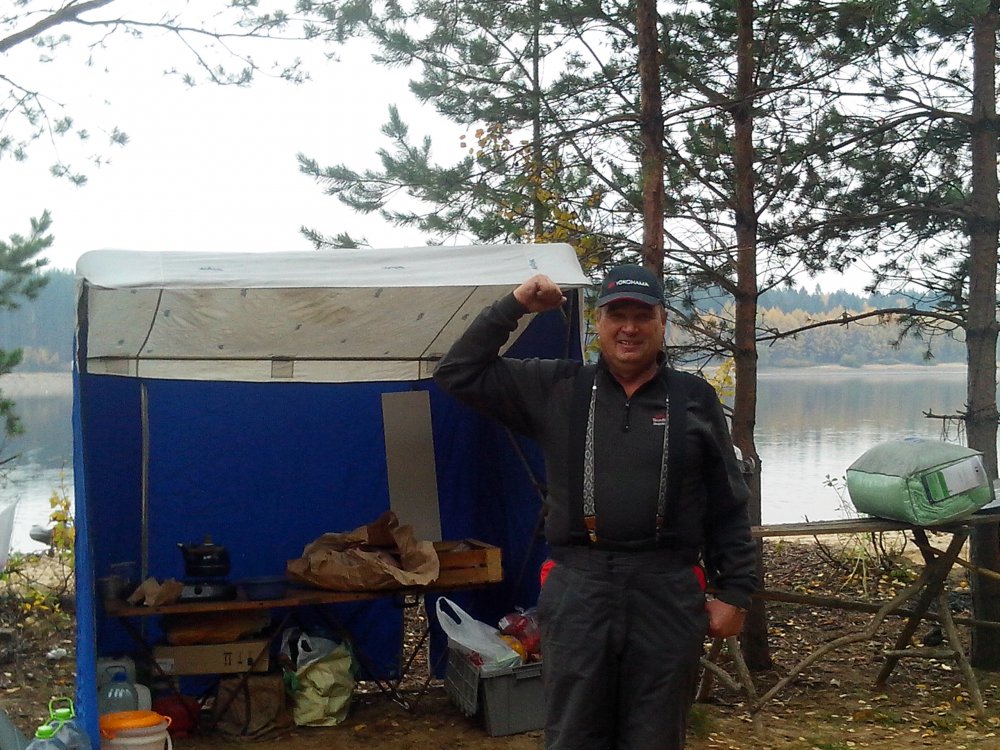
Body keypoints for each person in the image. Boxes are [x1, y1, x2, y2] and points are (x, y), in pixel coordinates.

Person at [434, 263, 757, 750]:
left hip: (667, 591)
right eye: (616, 315)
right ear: (598, 323)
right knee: (574, 735)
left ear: (662, 321)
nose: (629, 328)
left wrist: (735, 591)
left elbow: (727, 503)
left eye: (642, 316)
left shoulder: (693, 397)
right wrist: (515, 306)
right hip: (579, 588)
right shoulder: (558, 386)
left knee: (656, 736)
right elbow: (458, 372)